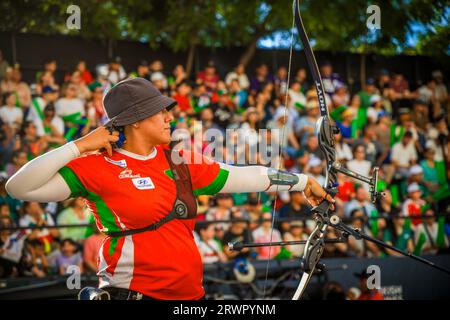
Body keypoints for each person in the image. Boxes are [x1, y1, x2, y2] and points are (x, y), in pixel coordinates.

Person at [6, 77, 331, 300]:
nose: (168, 117)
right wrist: (79, 145)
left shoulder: (180, 160)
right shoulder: (95, 166)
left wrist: (305, 181)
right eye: (158, 112)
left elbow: (248, 177)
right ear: (134, 121)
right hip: (133, 293)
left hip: (191, 295)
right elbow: (18, 186)